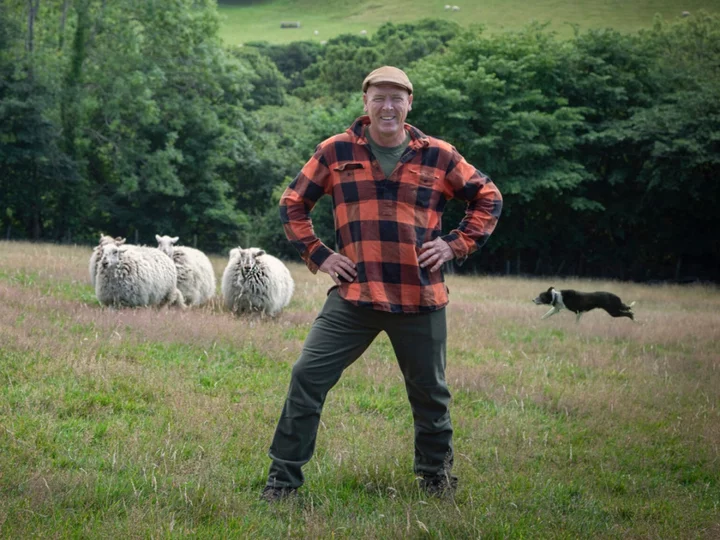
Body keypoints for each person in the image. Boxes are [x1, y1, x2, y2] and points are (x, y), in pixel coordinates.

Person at [261, 66, 503, 502]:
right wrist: (320, 254)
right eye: (379, 98)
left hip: (420, 296)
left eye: (397, 98)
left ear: (409, 103)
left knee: (431, 395)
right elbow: (293, 203)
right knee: (307, 377)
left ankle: (436, 480)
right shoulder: (335, 152)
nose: (387, 106)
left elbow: (488, 197)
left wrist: (455, 245)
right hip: (356, 293)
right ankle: (282, 481)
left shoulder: (439, 155)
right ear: (366, 103)